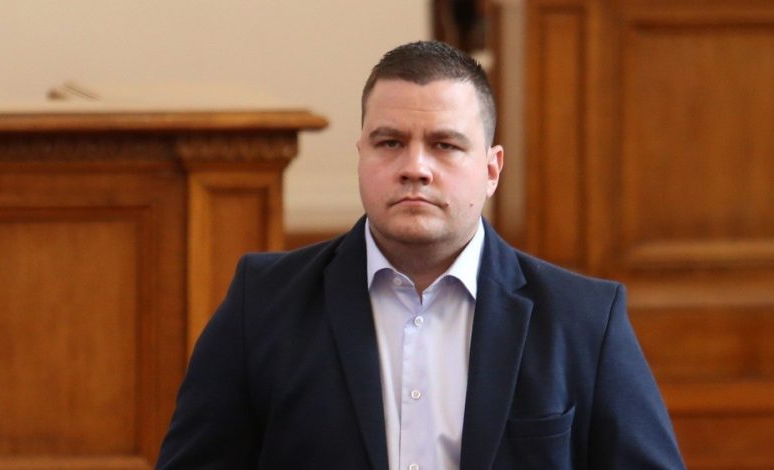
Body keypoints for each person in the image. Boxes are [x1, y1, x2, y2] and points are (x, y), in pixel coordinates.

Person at [157, 41, 685, 469]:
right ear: (361, 155)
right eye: (389, 142)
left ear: (492, 169)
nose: (415, 167)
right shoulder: (263, 303)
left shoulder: (585, 320)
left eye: (444, 145)